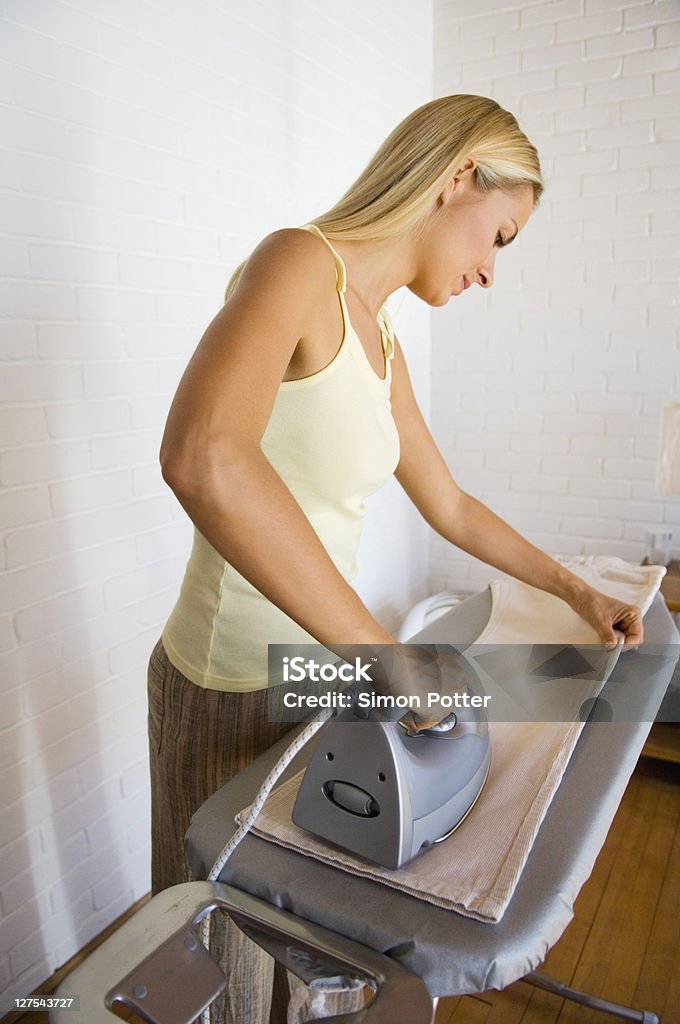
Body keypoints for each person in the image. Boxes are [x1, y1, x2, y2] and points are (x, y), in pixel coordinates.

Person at [148, 94, 644, 1023]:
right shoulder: (298, 262)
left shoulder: (380, 336)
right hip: (228, 682)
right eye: (499, 235)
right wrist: (383, 657)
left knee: (303, 960)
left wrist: (577, 590)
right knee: (221, 962)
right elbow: (204, 454)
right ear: (457, 179)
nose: (493, 270)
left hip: (322, 667)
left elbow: (449, 504)